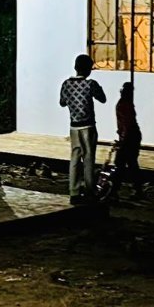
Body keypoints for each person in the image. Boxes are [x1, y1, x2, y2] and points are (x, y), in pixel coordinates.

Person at [58, 54, 108, 204]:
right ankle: (90, 191)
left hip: (74, 127)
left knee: (74, 158)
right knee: (88, 159)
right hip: (88, 126)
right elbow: (103, 98)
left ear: (75, 67)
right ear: (89, 69)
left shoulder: (66, 84)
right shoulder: (90, 84)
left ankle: (73, 191)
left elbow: (62, 103)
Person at [113, 82, 144, 200]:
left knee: (120, 163)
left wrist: (122, 140)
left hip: (129, 137)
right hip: (133, 136)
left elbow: (126, 124)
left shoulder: (123, 105)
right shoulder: (128, 104)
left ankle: (114, 190)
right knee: (131, 164)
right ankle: (137, 190)